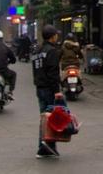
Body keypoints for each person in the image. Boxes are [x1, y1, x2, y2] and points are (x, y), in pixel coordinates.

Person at [33, 25, 62, 158]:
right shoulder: (52, 51)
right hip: (49, 89)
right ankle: (46, 146)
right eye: (56, 35)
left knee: (44, 118)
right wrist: (57, 90)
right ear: (52, 36)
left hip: (39, 88)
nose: (57, 37)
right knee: (51, 119)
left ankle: (45, 146)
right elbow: (53, 73)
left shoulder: (37, 50)